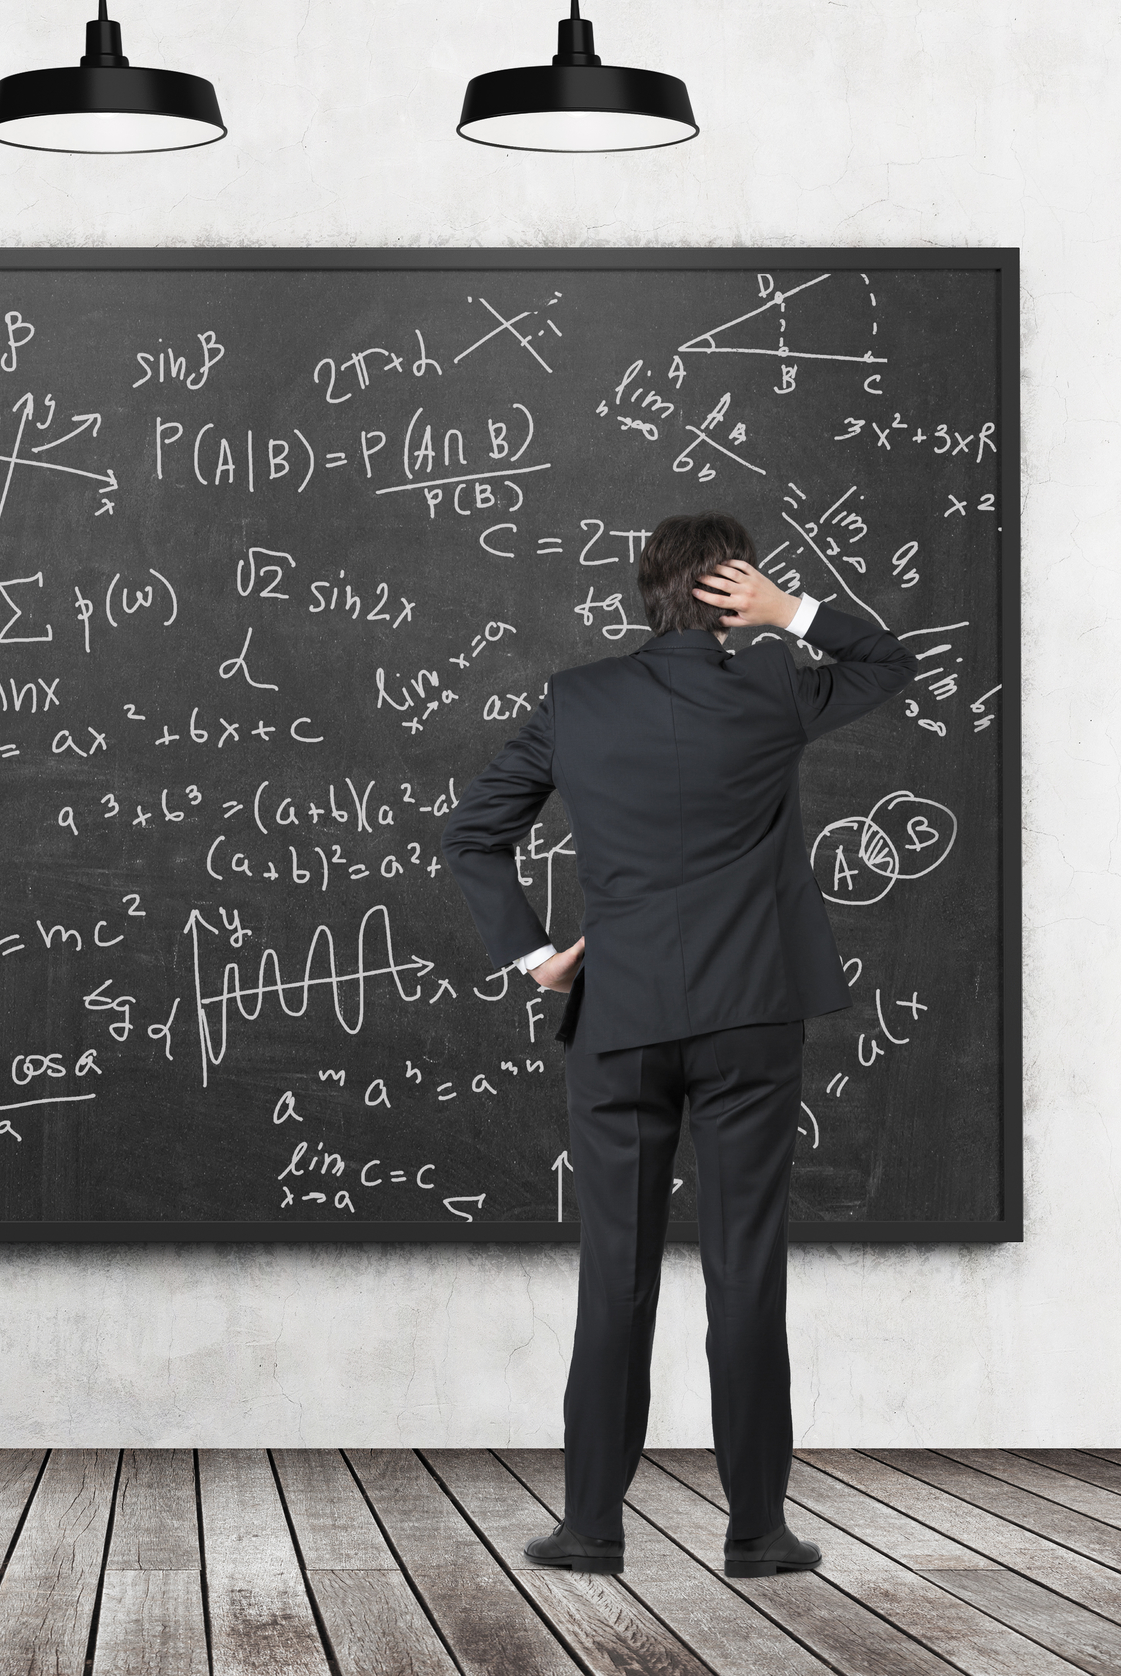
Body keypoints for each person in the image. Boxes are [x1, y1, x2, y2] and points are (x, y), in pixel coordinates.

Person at [441, 511, 913, 1578]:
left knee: (614, 1272)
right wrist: (790, 612)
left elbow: (472, 832)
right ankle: (755, 1530)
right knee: (745, 1268)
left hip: (618, 1017)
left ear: (637, 591)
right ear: (730, 588)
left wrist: (533, 956)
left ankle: (588, 1527)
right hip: (751, 1014)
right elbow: (888, 659)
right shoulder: (772, 688)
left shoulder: (576, 701)